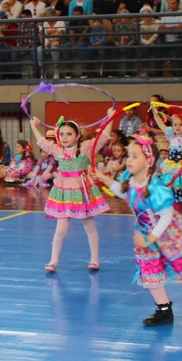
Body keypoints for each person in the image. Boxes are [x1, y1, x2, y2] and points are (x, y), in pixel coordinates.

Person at [94, 132, 182, 326]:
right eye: (128, 155)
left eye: (135, 156)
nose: (129, 160)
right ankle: (164, 310)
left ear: (148, 161)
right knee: (150, 272)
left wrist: (151, 238)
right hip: (146, 234)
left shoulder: (155, 186)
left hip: (167, 235)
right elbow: (124, 192)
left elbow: (166, 215)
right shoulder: (130, 180)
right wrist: (103, 178)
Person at [30, 111, 114, 272]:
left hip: (83, 191)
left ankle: (94, 259)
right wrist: (34, 126)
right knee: (61, 229)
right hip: (64, 192)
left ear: (77, 136)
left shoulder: (86, 147)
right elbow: (42, 142)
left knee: (89, 226)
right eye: (62, 134)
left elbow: (104, 136)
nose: (64, 137)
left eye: (69, 134)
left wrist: (110, 117)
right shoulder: (57, 150)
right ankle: (53, 260)